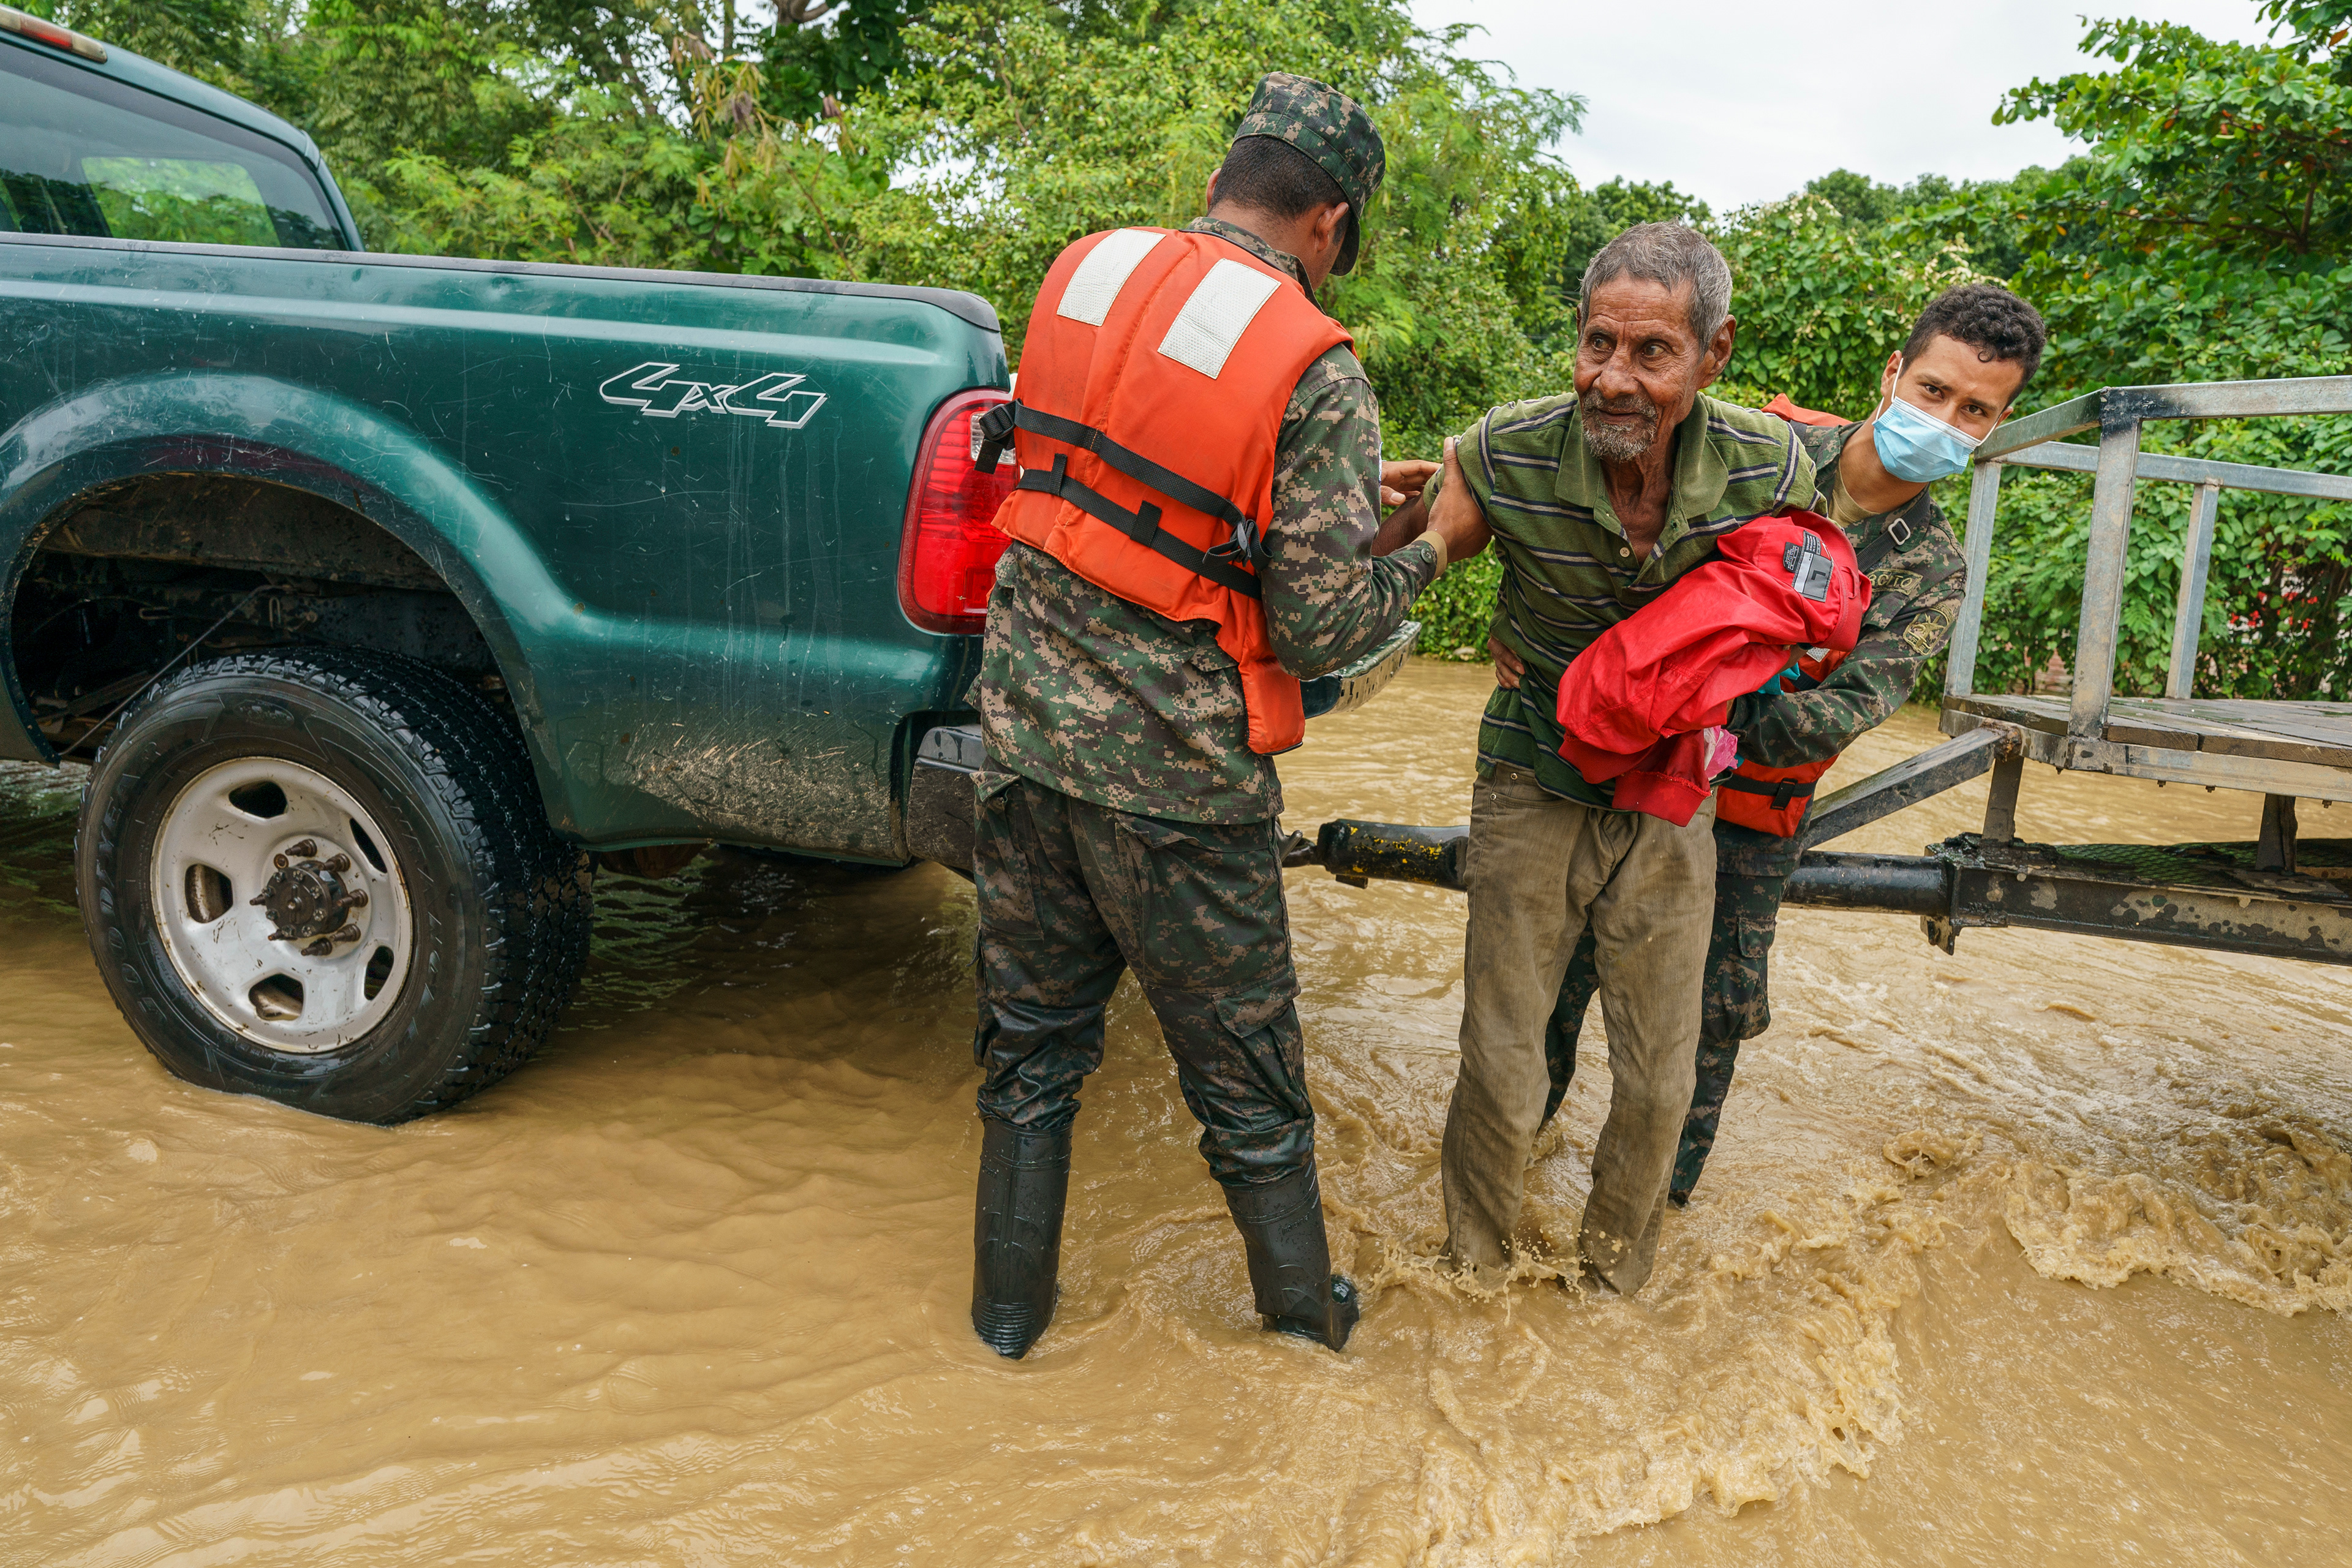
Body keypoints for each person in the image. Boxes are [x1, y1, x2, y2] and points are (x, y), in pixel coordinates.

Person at [965, 72, 1490, 1360]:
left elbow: (1138, 496)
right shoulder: (1313, 365)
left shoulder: (1085, 273)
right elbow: (1319, 626)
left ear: (1226, 178)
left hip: (1024, 743)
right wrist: (1433, 550)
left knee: (1029, 1063)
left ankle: (1002, 1329)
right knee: (1250, 1093)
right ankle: (1310, 1331)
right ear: (1329, 221)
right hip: (1178, 796)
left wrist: (1353, 507)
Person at [1523, 282, 2049, 1206]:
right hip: (1622, 767)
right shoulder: (1758, 455)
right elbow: (1616, 561)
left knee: (1715, 1016)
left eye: (1976, 411)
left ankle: (1655, 1220)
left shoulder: (1930, 573)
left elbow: (1836, 713)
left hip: (1747, 814)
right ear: (1894, 373)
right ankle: (1513, 1166)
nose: (1945, 420)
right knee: (1554, 980)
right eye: (1932, 392)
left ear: (1998, 423)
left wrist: (1694, 696)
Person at [1414, 223, 1818, 1297]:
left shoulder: (1772, 465)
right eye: (1599, 345)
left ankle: (1613, 1287)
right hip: (1532, 773)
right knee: (1503, 1062)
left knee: (1659, 1076)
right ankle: (1470, 1282)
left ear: (1713, 355)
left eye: (1652, 353)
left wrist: (1706, 679)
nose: (1616, 379)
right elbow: (1420, 546)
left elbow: (1801, 600)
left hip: (1675, 791)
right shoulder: (1505, 449)